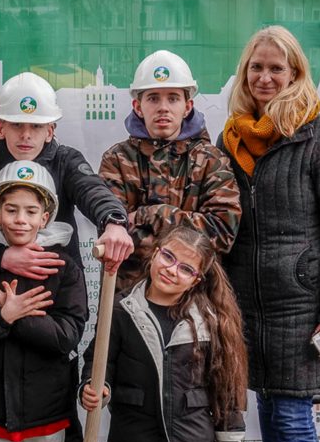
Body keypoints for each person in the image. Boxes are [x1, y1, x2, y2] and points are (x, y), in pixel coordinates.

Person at [0, 72, 134, 442]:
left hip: (53, 296)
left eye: (37, 126)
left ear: (51, 130)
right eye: (17, 125)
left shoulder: (66, 161)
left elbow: (94, 191)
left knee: (57, 419)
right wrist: (0, 256)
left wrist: (113, 221)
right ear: (0, 126)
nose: (26, 135)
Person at [220, 25, 320, 442]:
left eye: (276, 68)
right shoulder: (231, 139)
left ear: (296, 73)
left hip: (301, 306)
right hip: (246, 304)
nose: (265, 78)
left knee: (292, 420)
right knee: (268, 408)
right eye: (256, 68)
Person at [0, 160, 88, 442]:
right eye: (12, 210)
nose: (20, 220)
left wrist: (17, 317)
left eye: (30, 212)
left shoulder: (65, 269)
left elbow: (67, 336)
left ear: (45, 217)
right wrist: (1, 316)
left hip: (46, 415)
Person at [80, 226, 248, 442]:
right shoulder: (120, 309)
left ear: (196, 280)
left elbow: (226, 394)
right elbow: (99, 361)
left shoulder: (209, 321)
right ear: (155, 253)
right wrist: (95, 386)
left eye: (186, 269)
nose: (172, 270)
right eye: (168, 256)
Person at [99, 50, 241, 294]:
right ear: (138, 106)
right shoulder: (117, 160)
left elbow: (222, 232)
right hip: (128, 297)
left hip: (195, 300)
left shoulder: (211, 160)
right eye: (153, 98)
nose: (163, 108)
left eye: (173, 98)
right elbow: (116, 236)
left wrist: (150, 215)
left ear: (187, 106)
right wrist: (189, 232)